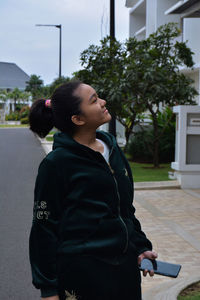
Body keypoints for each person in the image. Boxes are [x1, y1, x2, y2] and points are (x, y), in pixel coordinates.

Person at [29, 81, 157, 300]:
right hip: (82, 276)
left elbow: (124, 209)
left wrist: (140, 246)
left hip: (125, 273)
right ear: (78, 119)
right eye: (94, 100)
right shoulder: (56, 164)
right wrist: (48, 289)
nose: (103, 102)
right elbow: (44, 228)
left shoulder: (113, 150)